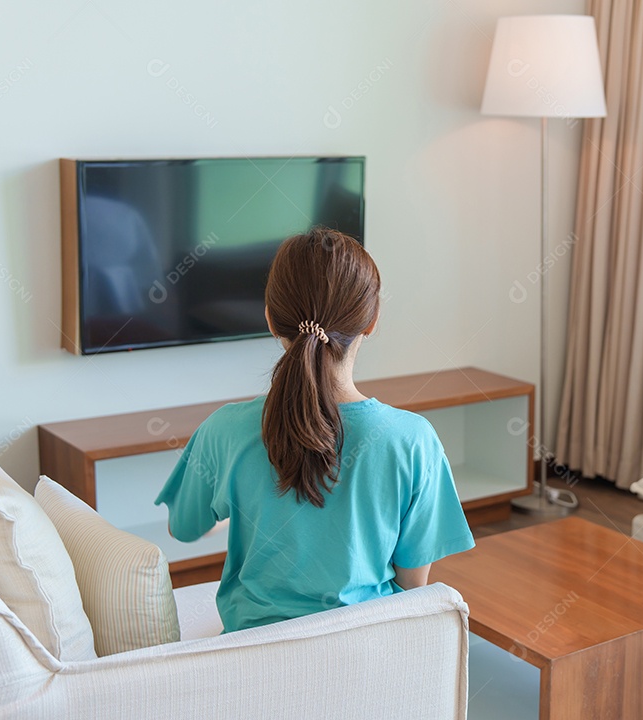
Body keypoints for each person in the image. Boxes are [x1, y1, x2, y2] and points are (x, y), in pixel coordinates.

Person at [155, 227, 475, 632]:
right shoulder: (412, 440)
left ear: (270, 319)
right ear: (372, 321)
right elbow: (413, 584)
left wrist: (237, 504)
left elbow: (183, 528)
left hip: (251, 660)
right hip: (366, 655)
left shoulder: (225, 429)